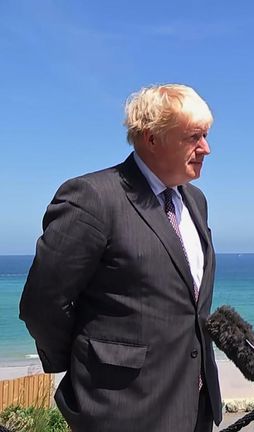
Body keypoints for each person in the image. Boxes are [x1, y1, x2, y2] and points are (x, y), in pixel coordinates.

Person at [19, 84, 222, 431]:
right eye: (193, 136)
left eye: (205, 135)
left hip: (193, 407)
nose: (206, 148)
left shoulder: (196, 201)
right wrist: (86, 366)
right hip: (119, 410)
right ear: (151, 138)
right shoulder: (93, 198)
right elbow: (42, 302)